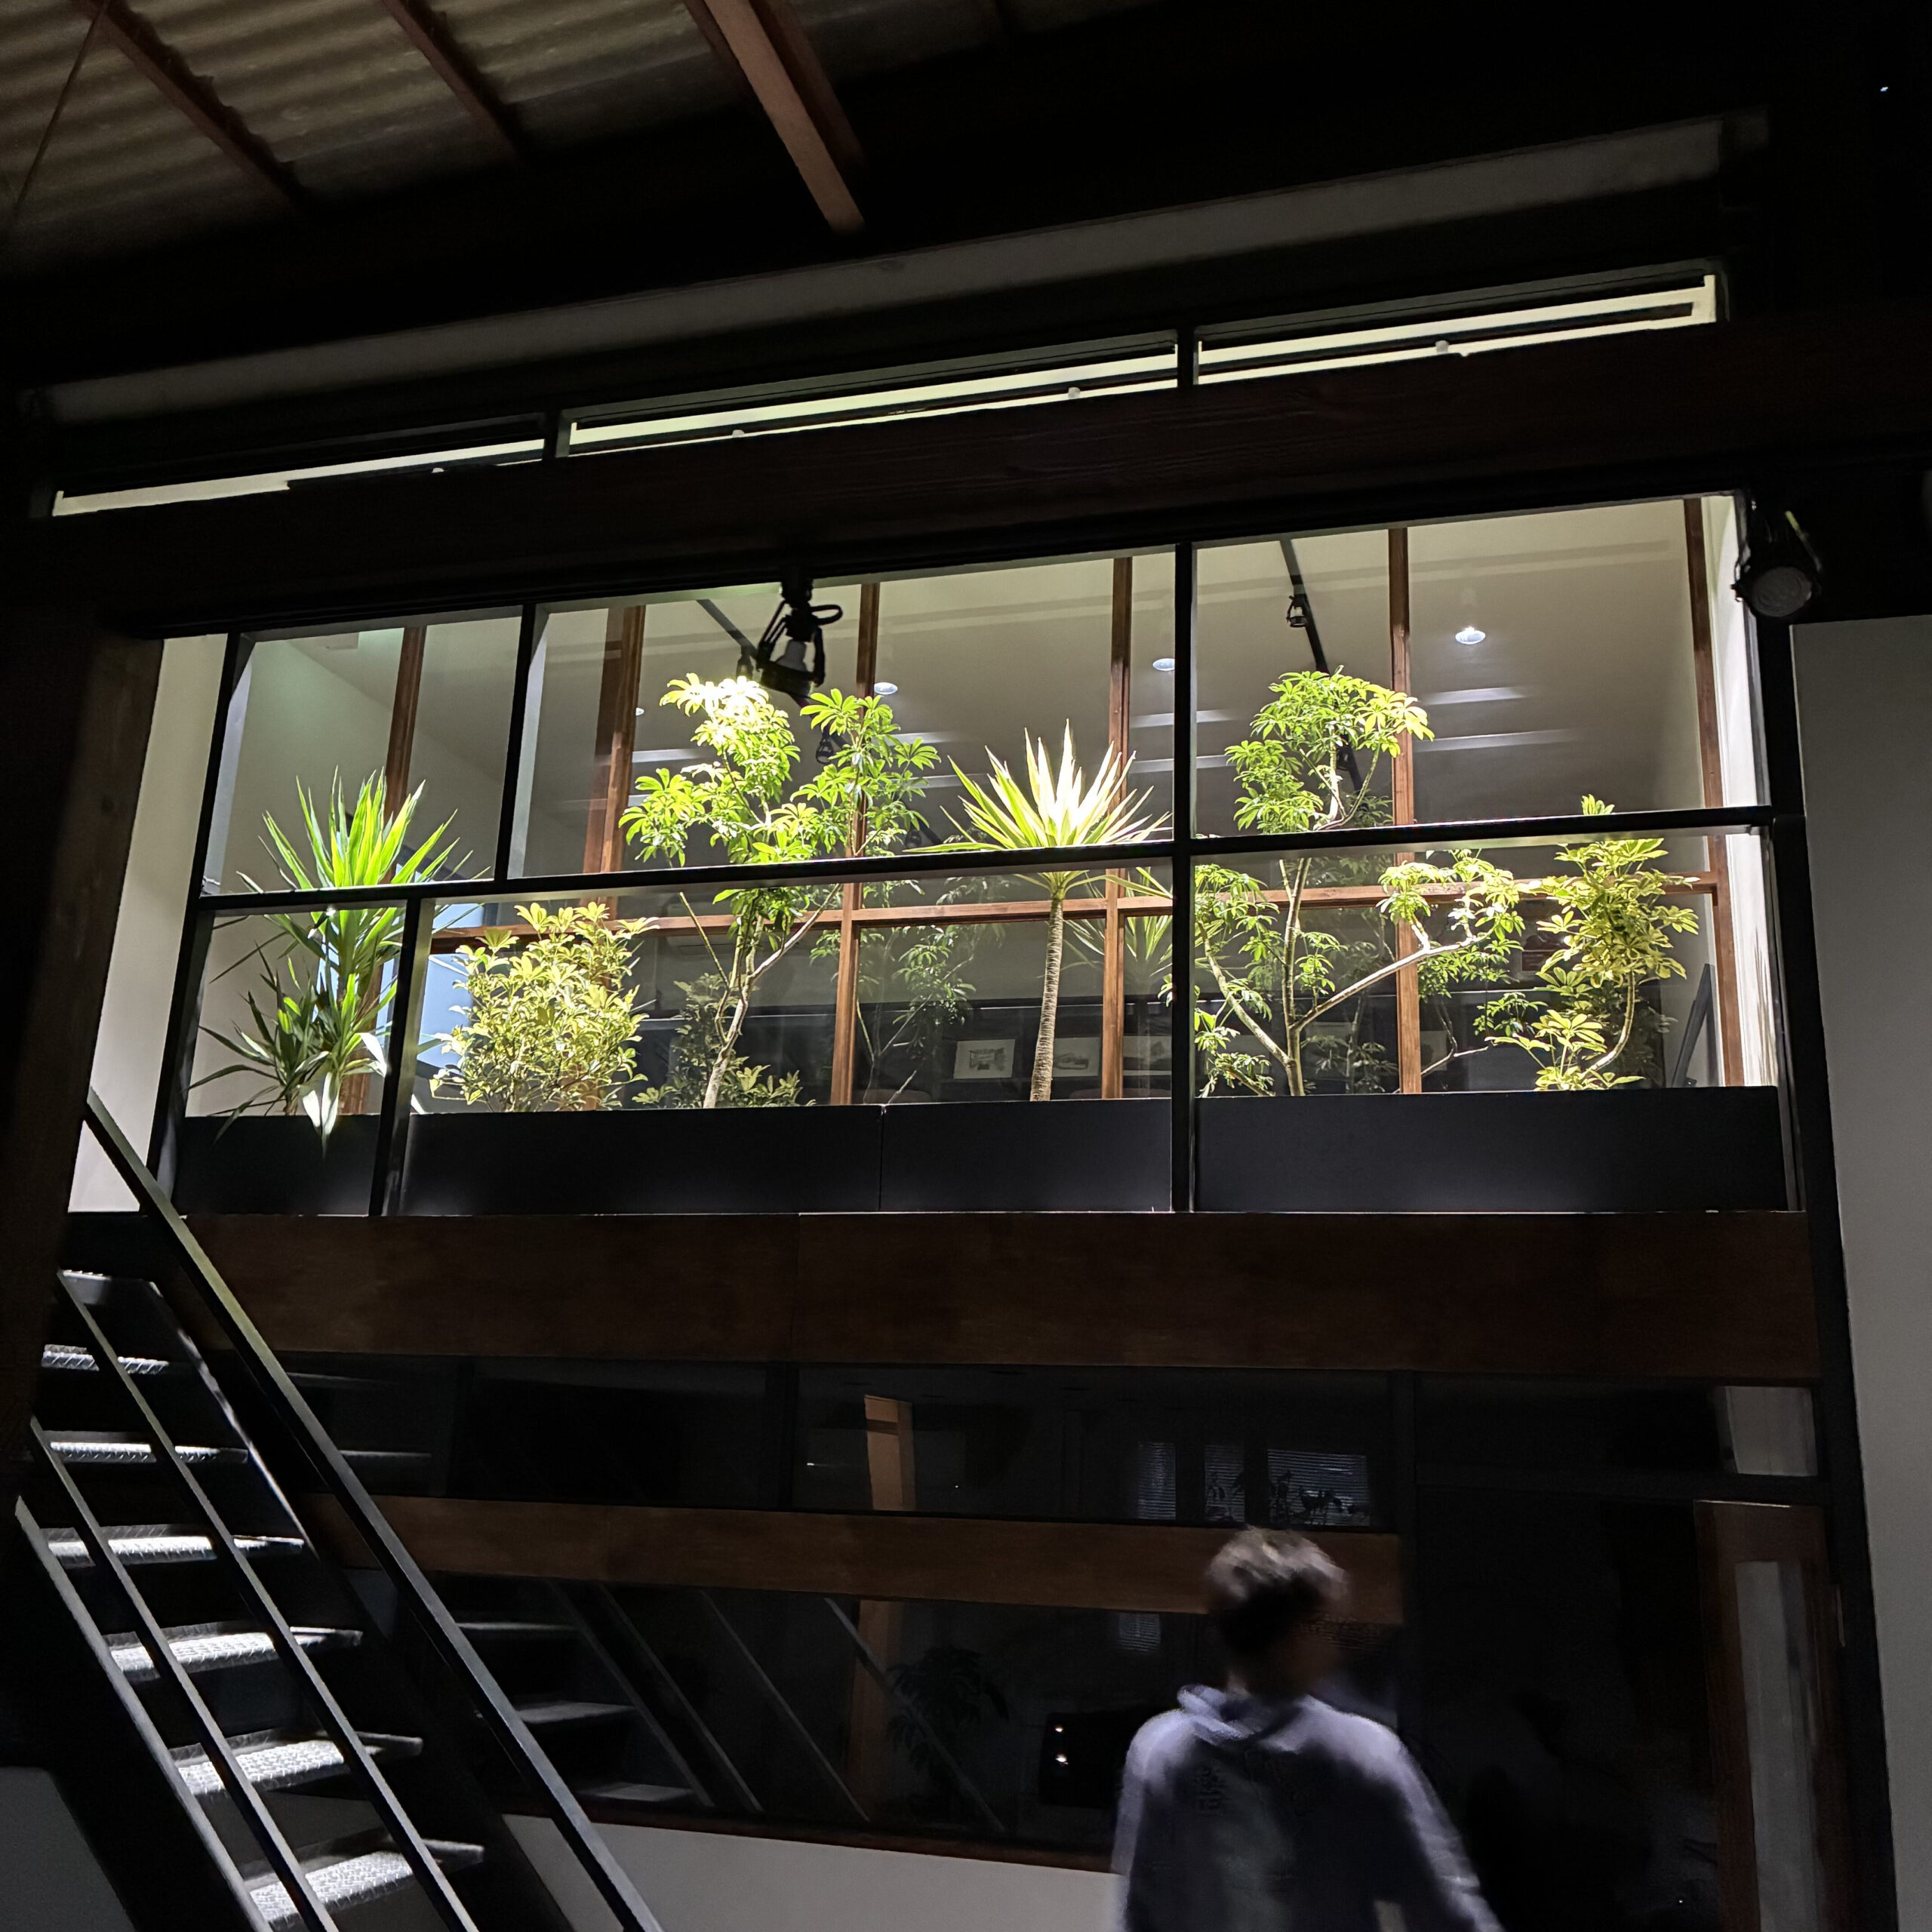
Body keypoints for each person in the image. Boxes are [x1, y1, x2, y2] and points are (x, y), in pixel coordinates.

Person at [1114, 1527, 1500, 1932]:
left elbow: (1139, 1915)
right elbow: (1448, 1917)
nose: (1335, 1646)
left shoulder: (1161, 1751)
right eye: (1326, 1628)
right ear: (1294, 1639)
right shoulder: (1360, 1754)